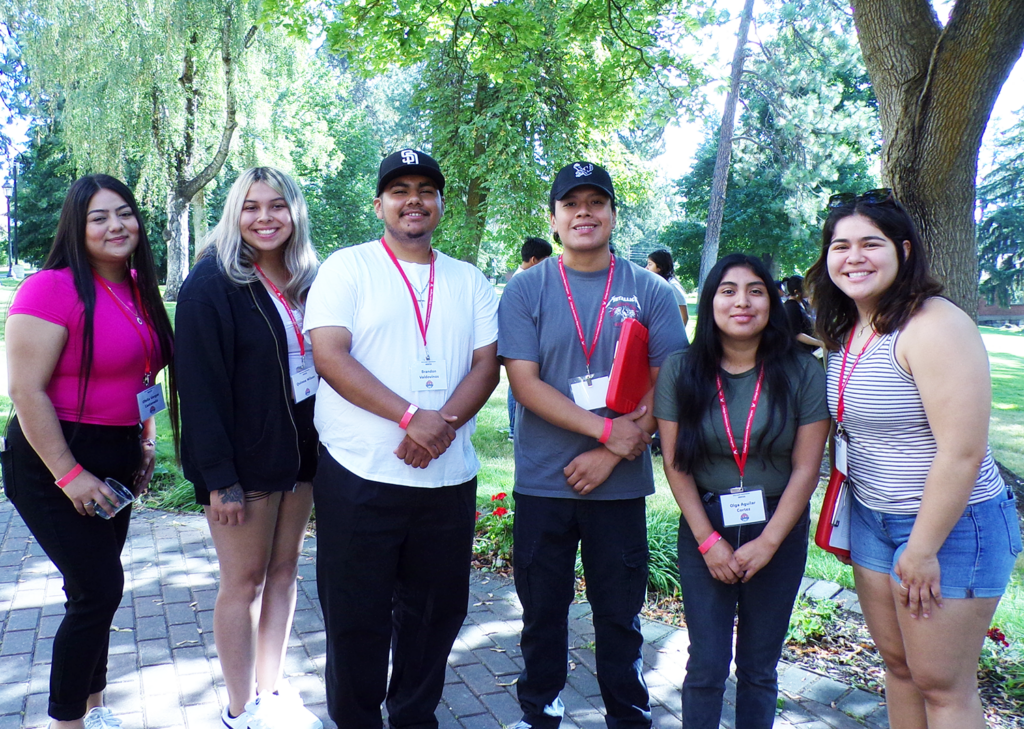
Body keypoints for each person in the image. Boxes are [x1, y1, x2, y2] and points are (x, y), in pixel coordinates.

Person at [806, 189, 1021, 729]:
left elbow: (962, 450)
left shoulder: (933, 324)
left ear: (904, 249)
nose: (853, 256)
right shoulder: (850, 326)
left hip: (949, 527)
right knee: (900, 669)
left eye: (870, 243)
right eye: (840, 245)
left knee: (942, 686)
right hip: (874, 520)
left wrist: (922, 548)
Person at [304, 149, 500, 728]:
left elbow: (486, 367)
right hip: (360, 474)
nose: (413, 199)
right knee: (355, 618)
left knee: (435, 616)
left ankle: (414, 718)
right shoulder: (348, 267)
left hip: (446, 480)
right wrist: (412, 415)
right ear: (380, 204)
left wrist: (438, 429)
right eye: (399, 190)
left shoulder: (469, 279)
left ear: (439, 204)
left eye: (425, 189)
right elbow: (329, 356)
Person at [498, 161, 687, 729]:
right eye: (571, 203)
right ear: (553, 219)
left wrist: (611, 454)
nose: (584, 212)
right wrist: (606, 430)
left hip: (619, 486)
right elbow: (524, 383)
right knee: (542, 615)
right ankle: (540, 714)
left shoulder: (648, 289)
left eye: (596, 202)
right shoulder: (526, 288)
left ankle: (628, 718)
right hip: (542, 483)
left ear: (611, 214)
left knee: (620, 618)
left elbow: (668, 381)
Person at [3, 175, 175, 729]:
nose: (116, 225)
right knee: (98, 590)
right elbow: (25, 391)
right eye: (98, 217)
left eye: (124, 213)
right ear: (76, 228)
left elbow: (143, 371)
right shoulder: (51, 288)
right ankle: (66, 721)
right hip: (53, 456)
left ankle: (94, 708)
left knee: (92, 586)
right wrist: (68, 473)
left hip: (118, 454)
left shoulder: (136, 285)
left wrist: (146, 439)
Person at [653, 253, 829, 729]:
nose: (742, 302)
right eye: (728, 291)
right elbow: (675, 464)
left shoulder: (801, 372)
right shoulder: (681, 370)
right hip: (705, 526)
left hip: (779, 525)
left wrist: (769, 542)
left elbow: (807, 468)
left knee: (759, 667)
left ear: (771, 301)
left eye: (755, 290)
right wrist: (708, 542)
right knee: (707, 663)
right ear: (711, 302)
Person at [174, 167, 322, 729]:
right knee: (244, 583)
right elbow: (200, 388)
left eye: (278, 206)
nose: (265, 217)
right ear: (235, 213)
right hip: (242, 464)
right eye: (252, 206)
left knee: (284, 573)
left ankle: (271, 690)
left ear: (295, 212)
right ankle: (240, 711)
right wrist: (219, 478)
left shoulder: (308, 276)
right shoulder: (212, 283)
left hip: (302, 453)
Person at [508, 236, 553, 439]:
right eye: (547, 259)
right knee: (516, 387)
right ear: (534, 260)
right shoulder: (519, 285)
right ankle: (513, 427)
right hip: (520, 349)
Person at [646, 248, 689, 326]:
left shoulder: (672, 286)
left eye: (650, 264)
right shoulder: (659, 285)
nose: (646, 268)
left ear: (660, 267)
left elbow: (684, 316)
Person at [783, 275, 823, 354]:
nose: (809, 290)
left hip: (810, 349)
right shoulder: (791, 308)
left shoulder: (804, 303)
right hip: (799, 352)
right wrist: (820, 343)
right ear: (797, 292)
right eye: (806, 288)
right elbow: (796, 334)